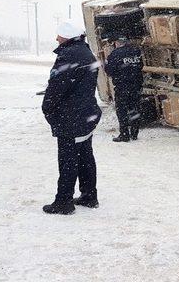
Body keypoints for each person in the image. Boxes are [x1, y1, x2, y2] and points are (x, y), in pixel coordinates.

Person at [41, 20, 102, 215]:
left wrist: (47, 108)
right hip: (86, 113)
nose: (56, 38)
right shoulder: (86, 52)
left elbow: (57, 87)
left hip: (71, 117)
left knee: (68, 160)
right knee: (85, 156)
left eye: (58, 35)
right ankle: (89, 195)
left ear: (66, 37)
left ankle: (63, 202)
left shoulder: (68, 55)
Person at [104, 36, 143, 142]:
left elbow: (109, 71)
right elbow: (140, 66)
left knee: (122, 110)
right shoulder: (136, 51)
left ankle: (124, 134)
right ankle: (134, 133)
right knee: (134, 109)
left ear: (117, 43)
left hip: (122, 86)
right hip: (136, 85)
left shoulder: (115, 54)